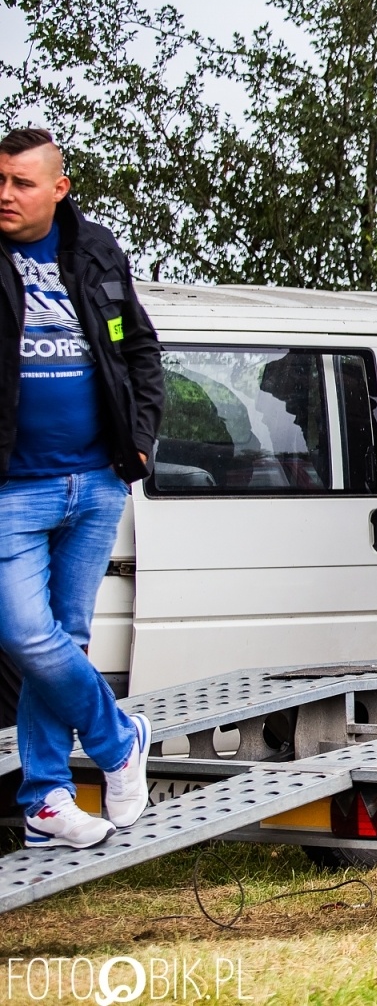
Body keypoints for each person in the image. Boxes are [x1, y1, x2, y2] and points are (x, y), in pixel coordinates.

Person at [0, 127, 162, 847]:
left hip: (97, 480)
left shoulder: (95, 250)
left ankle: (44, 798)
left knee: (64, 636)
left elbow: (140, 349)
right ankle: (120, 739)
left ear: (58, 188)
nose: (6, 194)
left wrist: (142, 439)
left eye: (21, 183)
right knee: (24, 634)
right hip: (13, 487)